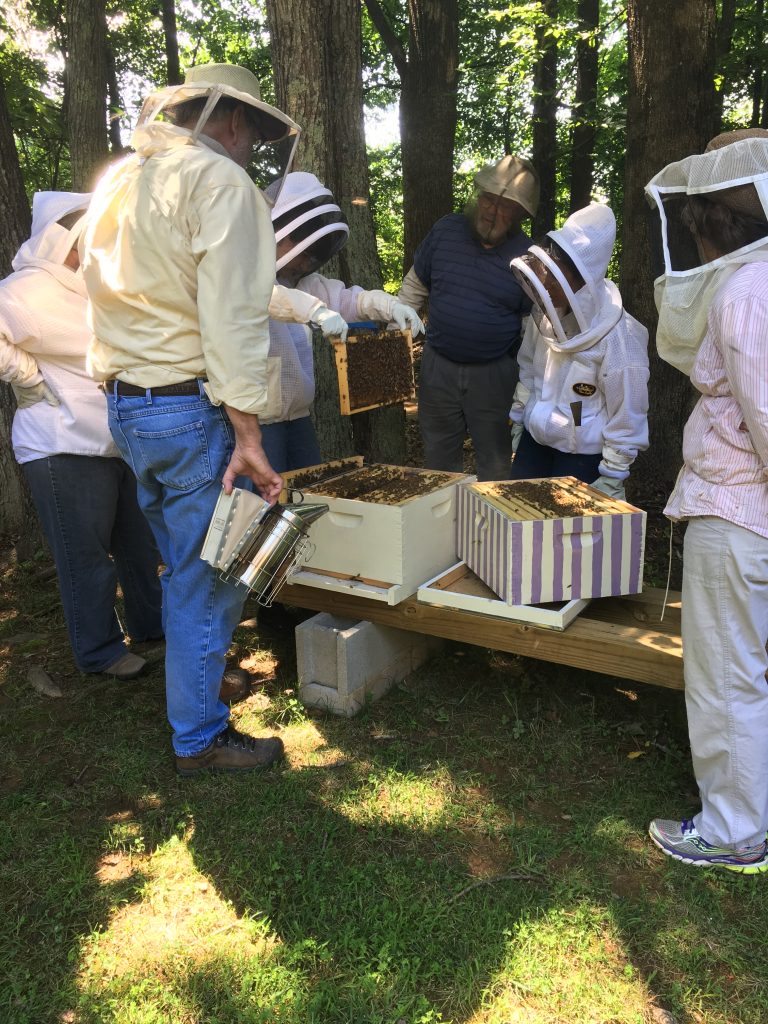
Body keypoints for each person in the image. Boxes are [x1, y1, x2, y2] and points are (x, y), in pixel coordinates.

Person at [81, 63, 300, 775]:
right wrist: (249, 435)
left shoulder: (123, 179)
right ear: (230, 122)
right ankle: (200, 737)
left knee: (182, 563)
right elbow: (233, 319)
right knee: (207, 577)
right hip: (188, 408)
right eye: (253, 137)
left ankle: (197, 683)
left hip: (129, 406)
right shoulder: (219, 181)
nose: (252, 152)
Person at [644, 128, 768, 873]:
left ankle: (733, 831)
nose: (692, 231)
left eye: (701, 216)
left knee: (726, 675)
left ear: (725, 215)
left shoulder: (748, 289)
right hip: (747, 513)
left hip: (739, 512)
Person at [0, 191, 163, 680]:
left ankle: (152, 628)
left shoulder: (104, 286)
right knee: (85, 555)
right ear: (60, 236)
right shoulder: (24, 289)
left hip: (120, 439)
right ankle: (100, 652)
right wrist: (28, 377)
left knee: (140, 545)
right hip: (60, 445)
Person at [264, 171, 424, 472]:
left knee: (308, 493)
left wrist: (390, 305)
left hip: (297, 417)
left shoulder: (307, 283)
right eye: (304, 252)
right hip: (255, 422)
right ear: (280, 232)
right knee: (261, 505)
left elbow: (350, 300)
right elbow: (265, 297)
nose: (305, 262)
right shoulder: (245, 274)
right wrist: (314, 312)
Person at [396, 155, 539, 480]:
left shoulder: (527, 257)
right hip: (438, 369)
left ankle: (494, 530)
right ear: (477, 197)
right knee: (438, 462)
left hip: (494, 376)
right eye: (489, 200)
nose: (493, 211)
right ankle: (440, 526)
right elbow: (415, 286)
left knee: (495, 462)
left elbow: (532, 329)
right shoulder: (446, 230)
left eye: (505, 206)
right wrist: (395, 331)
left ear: (519, 214)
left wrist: (527, 385)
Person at [508, 203, 649, 498]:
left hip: (583, 459)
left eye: (553, 280)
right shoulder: (544, 318)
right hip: (534, 445)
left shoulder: (621, 337)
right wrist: (519, 419)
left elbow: (627, 413)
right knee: (521, 532)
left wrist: (612, 474)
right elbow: (529, 373)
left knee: (567, 543)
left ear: (581, 280)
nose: (545, 288)